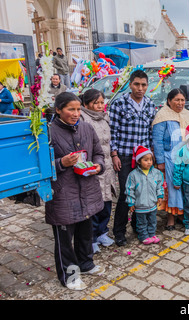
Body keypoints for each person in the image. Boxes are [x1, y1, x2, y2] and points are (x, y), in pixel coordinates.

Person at [45, 92, 106, 290]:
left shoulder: (87, 128)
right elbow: (41, 165)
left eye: (79, 109)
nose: (76, 113)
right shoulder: (48, 132)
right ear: (58, 110)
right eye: (71, 109)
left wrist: (97, 166)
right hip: (63, 193)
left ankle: (86, 264)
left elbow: (98, 153)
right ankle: (69, 276)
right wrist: (61, 163)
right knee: (64, 239)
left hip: (86, 188)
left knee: (85, 232)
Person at [109, 70, 156, 246]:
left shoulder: (150, 104)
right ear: (130, 84)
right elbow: (112, 132)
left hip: (143, 158)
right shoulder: (119, 103)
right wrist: (114, 154)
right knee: (126, 194)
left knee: (142, 192)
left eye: (143, 85)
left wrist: (151, 156)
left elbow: (150, 133)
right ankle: (119, 232)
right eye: (137, 84)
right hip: (125, 156)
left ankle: (138, 226)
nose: (140, 88)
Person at [152, 88, 189, 230]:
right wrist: (160, 162)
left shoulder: (187, 115)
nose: (180, 103)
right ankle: (170, 218)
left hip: (186, 158)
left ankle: (182, 214)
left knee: (184, 187)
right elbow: (157, 141)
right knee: (172, 189)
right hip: (169, 159)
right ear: (169, 101)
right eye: (177, 100)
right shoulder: (162, 116)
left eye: (182, 100)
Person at [80, 89, 116, 253]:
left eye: (102, 102)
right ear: (86, 104)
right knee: (93, 203)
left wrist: (113, 155)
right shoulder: (82, 119)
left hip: (107, 165)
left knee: (107, 201)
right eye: (96, 103)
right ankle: (92, 237)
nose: (100, 106)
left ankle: (102, 232)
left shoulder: (105, 118)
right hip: (92, 165)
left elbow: (110, 140)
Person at [125, 146, 164, 244]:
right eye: (146, 160)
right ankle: (143, 236)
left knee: (152, 221)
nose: (149, 162)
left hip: (152, 204)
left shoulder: (156, 173)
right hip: (140, 205)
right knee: (141, 222)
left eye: (150, 159)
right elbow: (129, 190)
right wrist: (131, 203)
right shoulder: (133, 175)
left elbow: (159, 186)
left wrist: (159, 196)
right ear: (139, 161)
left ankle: (152, 234)